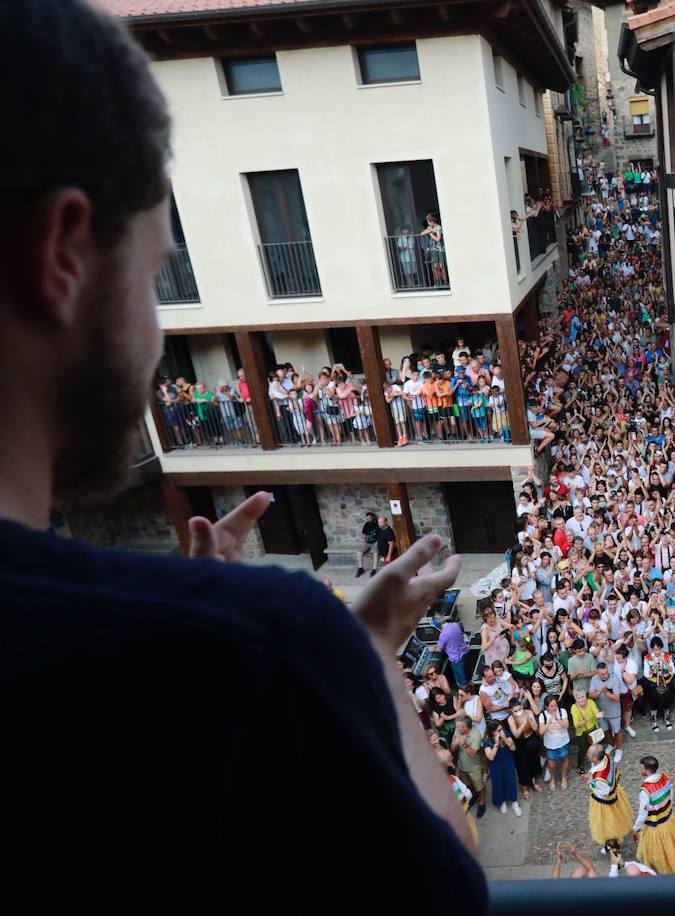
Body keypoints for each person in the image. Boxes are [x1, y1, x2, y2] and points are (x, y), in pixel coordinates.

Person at [0, 9, 482, 902]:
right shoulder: (270, 646)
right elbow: (450, 884)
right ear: (61, 253)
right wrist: (365, 647)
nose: (156, 335)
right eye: (153, 276)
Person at [631, 756, 675, 876]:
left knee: (656, 854)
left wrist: (635, 829)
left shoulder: (645, 790)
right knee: (672, 849)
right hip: (668, 820)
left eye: (641, 767)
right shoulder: (664, 777)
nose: (639, 769)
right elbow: (671, 794)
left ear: (647, 770)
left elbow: (643, 813)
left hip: (655, 826)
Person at [585, 742, 633, 851]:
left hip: (605, 803)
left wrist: (591, 783)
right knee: (617, 818)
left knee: (607, 825)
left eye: (589, 754)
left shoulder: (600, 777)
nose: (587, 754)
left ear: (596, 757)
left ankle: (613, 846)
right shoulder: (606, 757)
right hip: (616, 792)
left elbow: (603, 793)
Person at [588, 660, 625, 762]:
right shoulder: (594, 679)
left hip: (614, 711)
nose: (604, 676)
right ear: (597, 673)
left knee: (617, 731)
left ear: (608, 670)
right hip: (601, 712)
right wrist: (599, 691)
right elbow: (590, 696)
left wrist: (606, 692)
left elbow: (617, 698)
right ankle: (611, 745)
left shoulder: (614, 679)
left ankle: (619, 749)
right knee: (606, 730)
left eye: (606, 673)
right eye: (602, 674)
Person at [483, 721, 520, 817]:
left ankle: (514, 802)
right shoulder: (486, 740)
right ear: (492, 732)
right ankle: (501, 801)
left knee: (511, 781)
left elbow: (513, 748)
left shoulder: (506, 734)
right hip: (496, 765)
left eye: (501, 729)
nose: (501, 731)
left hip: (508, 762)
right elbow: (490, 757)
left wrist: (504, 738)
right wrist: (496, 743)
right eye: (498, 730)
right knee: (498, 783)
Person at [453, 716, 487, 818]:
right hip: (462, 766)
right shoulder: (458, 730)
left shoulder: (476, 734)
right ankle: (475, 796)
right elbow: (452, 748)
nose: (456, 728)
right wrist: (454, 745)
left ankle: (482, 801)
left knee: (480, 787)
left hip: (474, 767)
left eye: (458, 726)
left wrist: (464, 745)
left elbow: (473, 754)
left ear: (465, 728)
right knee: (469, 785)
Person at [643, 636, 675, 731]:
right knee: (653, 702)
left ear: (661, 648)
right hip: (654, 683)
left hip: (666, 682)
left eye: (658, 649)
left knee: (667, 700)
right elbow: (646, 674)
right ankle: (654, 719)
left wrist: (665, 662)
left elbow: (673, 671)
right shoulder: (648, 658)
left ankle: (666, 717)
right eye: (654, 649)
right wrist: (653, 668)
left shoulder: (667, 656)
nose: (656, 651)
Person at [438, 611, 469, 687]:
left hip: (456, 660)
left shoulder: (443, 634)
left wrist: (432, 649)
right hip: (465, 652)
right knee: (467, 674)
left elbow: (439, 649)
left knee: (461, 681)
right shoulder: (456, 625)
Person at [355, 511, 379, 577]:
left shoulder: (377, 524)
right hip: (367, 543)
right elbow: (363, 534)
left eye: (369, 518)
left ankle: (374, 569)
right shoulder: (366, 524)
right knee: (359, 552)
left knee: (375, 553)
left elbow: (381, 534)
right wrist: (363, 540)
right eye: (367, 518)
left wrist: (378, 542)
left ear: (373, 518)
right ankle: (360, 568)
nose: (368, 520)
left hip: (375, 543)